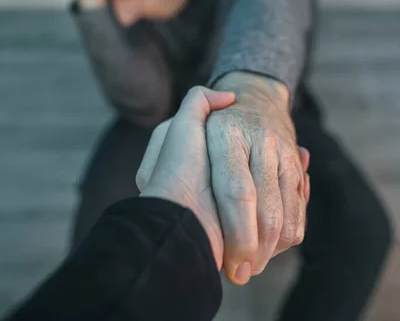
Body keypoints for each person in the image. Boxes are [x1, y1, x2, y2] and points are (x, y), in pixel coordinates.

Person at [63, 0, 391, 320]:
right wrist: (90, 4)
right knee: (103, 241)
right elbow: (144, 103)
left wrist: (257, 95)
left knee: (362, 231)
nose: (123, 15)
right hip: (162, 115)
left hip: (260, 102)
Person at [6, 87, 308, 320]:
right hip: (152, 115)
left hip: (264, 108)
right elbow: (143, 95)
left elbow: (270, 20)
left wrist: (256, 92)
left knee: (351, 223)